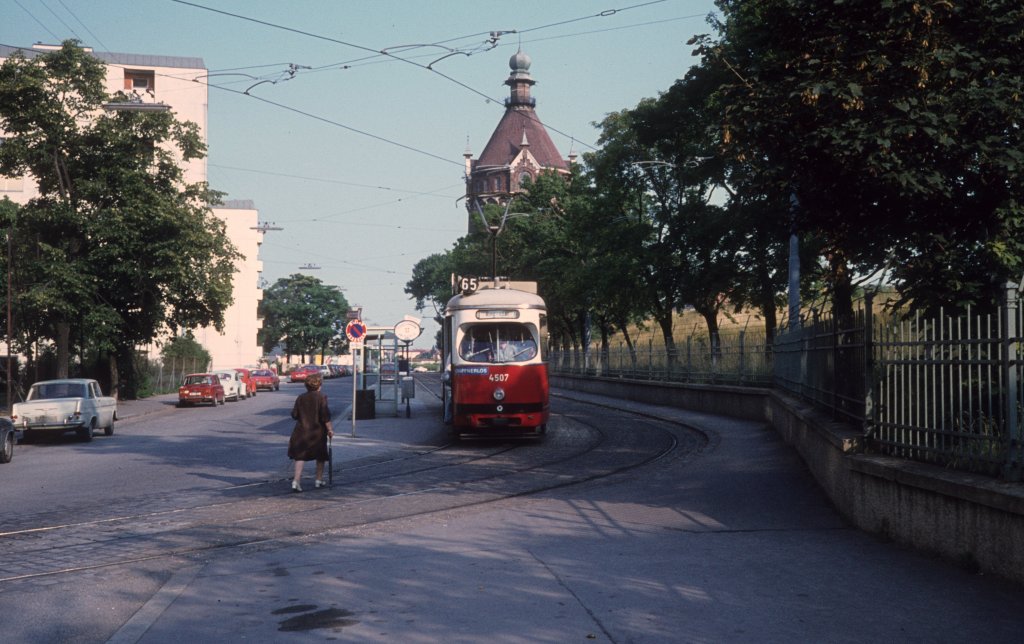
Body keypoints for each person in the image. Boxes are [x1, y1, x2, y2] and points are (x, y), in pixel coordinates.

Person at [288, 372, 334, 492]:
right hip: (316, 433)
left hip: (301, 432)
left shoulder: (300, 397)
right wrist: (330, 430)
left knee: (300, 457)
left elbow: (294, 415)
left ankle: (296, 480)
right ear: (319, 385)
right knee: (320, 455)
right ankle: (318, 479)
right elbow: (325, 416)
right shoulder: (321, 397)